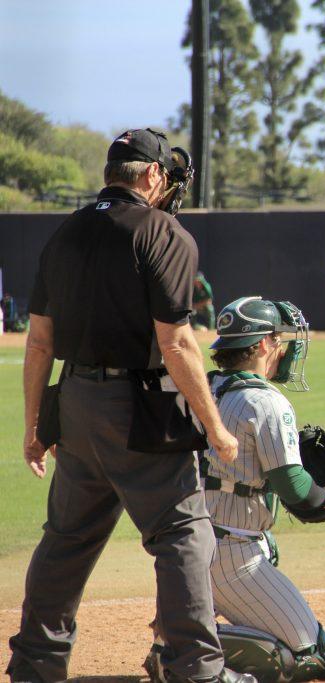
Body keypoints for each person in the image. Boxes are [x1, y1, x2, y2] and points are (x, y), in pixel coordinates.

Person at [10, 128, 255, 683]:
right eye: (164, 173)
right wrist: (215, 427)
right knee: (183, 533)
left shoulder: (65, 232)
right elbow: (177, 342)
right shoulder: (162, 232)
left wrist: (34, 427)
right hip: (137, 405)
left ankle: (34, 667)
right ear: (149, 175)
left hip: (74, 403)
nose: (167, 182)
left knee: (67, 540)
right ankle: (198, 670)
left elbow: (40, 341)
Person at [144, 296, 325, 683]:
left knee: (267, 545)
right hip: (231, 557)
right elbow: (297, 492)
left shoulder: (198, 386)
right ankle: (181, 650)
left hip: (185, 547)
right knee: (311, 657)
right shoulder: (265, 402)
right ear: (261, 345)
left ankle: (181, 627)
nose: (282, 348)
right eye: (278, 339)